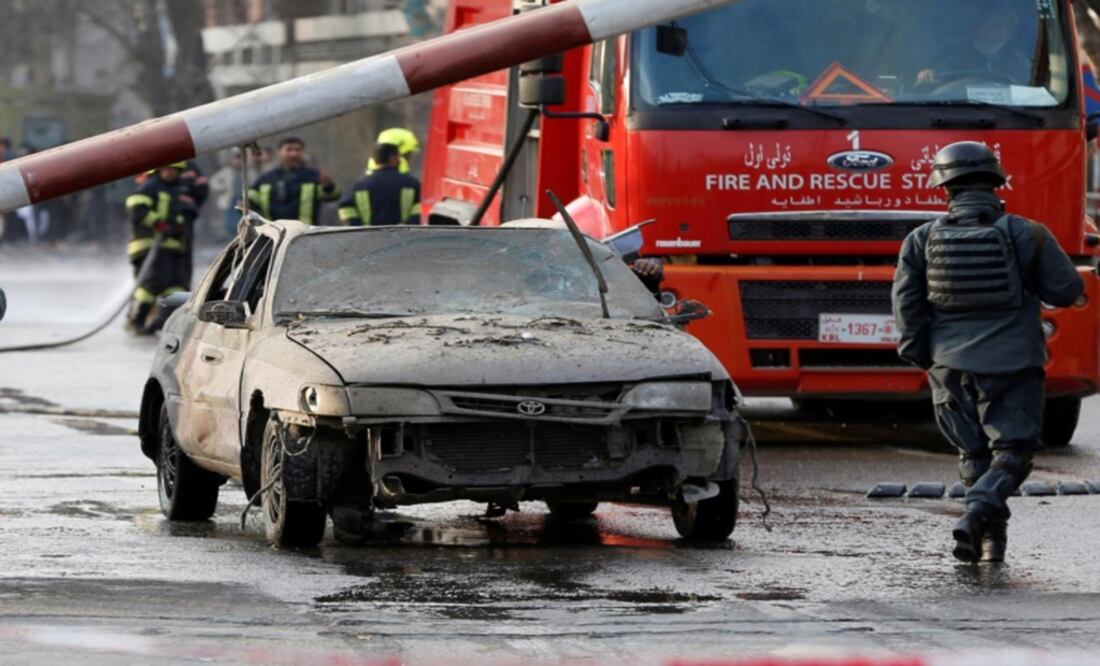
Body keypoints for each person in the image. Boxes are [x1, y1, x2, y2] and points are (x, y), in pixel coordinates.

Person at [892, 141, 1083, 563]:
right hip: (1013, 362)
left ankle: (987, 542)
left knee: (973, 453)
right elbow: (1067, 291)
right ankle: (978, 515)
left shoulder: (920, 239)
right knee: (1012, 455)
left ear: (945, 188)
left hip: (948, 364)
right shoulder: (1028, 232)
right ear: (996, 182)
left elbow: (907, 307)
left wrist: (924, 356)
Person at [125, 162, 199, 334]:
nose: (170, 172)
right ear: (160, 169)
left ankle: (160, 323)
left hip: (172, 247)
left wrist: (178, 225)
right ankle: (136, 319)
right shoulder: (151, 186)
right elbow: (136, 206)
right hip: (150, 246)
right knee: (153, 284)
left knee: (177, 287)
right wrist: (159, 224)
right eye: (167, 168)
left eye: (174, 169)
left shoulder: (176, 190)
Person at [915, 7, 1032, 87]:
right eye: (993, 26)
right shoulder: (953, 55)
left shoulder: (1019, 61)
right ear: (977, 26)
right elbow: (930, 75)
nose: (998, 32)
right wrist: (927, 75)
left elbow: (1030, 91)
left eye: (1006, 26)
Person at [248, 137, 340, 225]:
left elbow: (332, 196)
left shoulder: (314, 176)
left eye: (297, 150)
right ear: (279, 152)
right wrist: (245, 204)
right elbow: (251, 199)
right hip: (274, 234)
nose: (293, 154)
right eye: (289, 150)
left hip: (305, 232)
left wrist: (328, 185)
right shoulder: (266, 178)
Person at [339, 143, 422, 226]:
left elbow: (346, 209)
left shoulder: (359, 186)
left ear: (375, 160)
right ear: (393, 158)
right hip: (404, 237)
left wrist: (359, 228)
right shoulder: (411, 184)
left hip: (367, 238)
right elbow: (420, 210)